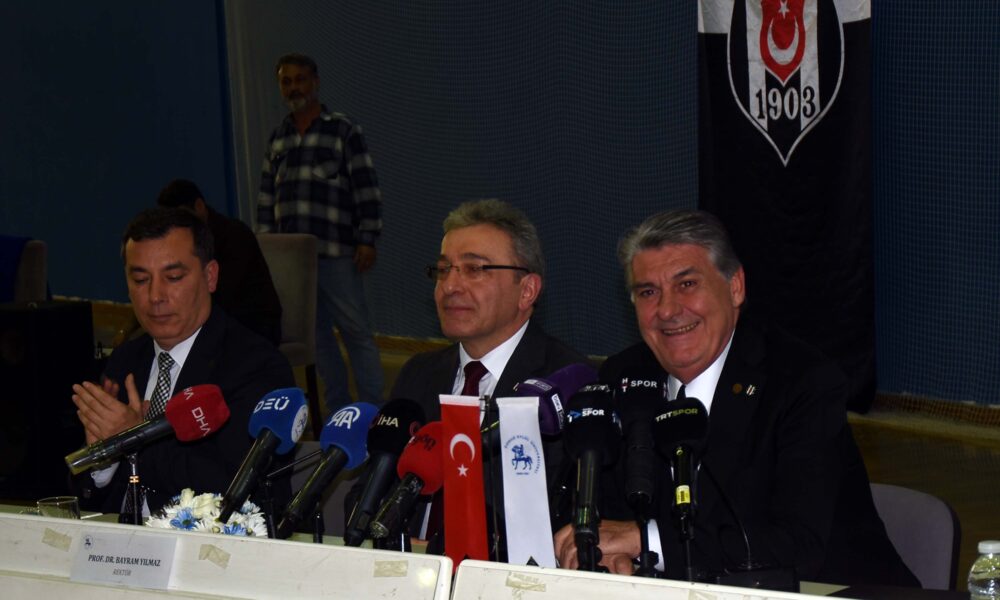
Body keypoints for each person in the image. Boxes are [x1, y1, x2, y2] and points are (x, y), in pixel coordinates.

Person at [553, 209, 917, 587]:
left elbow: (797, 545)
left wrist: (648, 541)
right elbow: (604, 515)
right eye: (648, 292)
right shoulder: (623, 377)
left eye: (687, 284)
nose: (667, 310)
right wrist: (606, 553)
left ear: (735, 287)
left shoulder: (802, 382)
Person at [390, 198, 589, 556]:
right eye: (443, 269)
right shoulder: (418, 374)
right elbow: (368, 491)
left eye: (474, 269)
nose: (450, 286)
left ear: (527, 290)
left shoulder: (567, 383)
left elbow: (573, 518)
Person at [71, 207, 295, 517]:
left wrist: (133, 439)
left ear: (210, 276)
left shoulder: (256, 365)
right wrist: (102, 460)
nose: (155, 296)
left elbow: (236, 489)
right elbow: (85, 496)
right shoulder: (125, 360)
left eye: (173, 277)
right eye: (140, 280)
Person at [257, 52, 384, 412]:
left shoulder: (343, 129)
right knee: (318, 341)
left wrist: (367, 238)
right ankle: (339, 411)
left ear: (314, 82)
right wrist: (268, 251)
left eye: (300, 80)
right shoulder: (278, 138)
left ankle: (374, 412)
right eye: (286, 82)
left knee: (357, 333)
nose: (293, 88)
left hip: (336, 254)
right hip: (294, 265)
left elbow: (365, 186)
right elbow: (266, 197)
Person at [154, 178, 282, 345]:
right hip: (218, 322)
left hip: (253, 324)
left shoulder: (234, 235)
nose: (178, 226)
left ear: (199, 206)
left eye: (182, 218)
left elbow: (223, 294)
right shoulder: (185, 241)